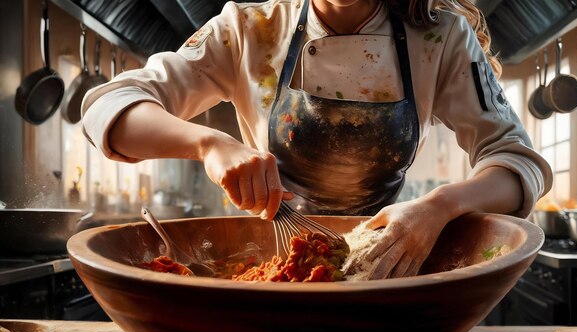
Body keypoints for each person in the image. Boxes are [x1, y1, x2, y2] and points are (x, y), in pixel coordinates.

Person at [81, 0, 552, 280]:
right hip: (272, 267)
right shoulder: (251, 29)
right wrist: (209, 144)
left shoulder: (441, 35)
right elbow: (110, 107)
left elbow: (516, 162)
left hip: (384, 268)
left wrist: (439, 207)